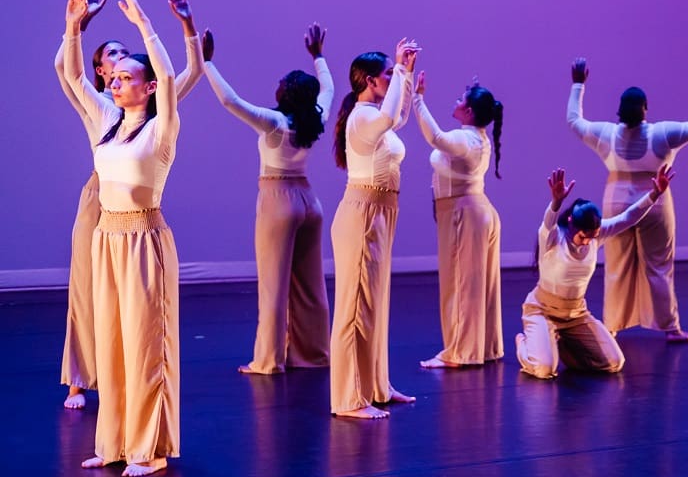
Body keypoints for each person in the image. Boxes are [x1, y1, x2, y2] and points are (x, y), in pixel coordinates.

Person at [55, 0, 202, 412]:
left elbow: (181, 76)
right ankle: (80, 380)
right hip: (99, 204)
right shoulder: (101, 109)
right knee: (87, 293)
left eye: (126, 58)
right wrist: (75, 26)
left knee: (139, 319)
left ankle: (136, 406)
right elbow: (68, 70)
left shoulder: (155, 114)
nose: (120, 65)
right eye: (113, 61)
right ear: (104, 73)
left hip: (138, 213)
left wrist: (184, 28)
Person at [203, 23, 335, 374]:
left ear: (287, 93)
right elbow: (329, 89)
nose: (276, 87)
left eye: (281, 84)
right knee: (310, 283)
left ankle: (268, 360)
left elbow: (230, 101)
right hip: (309, 201)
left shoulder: (275, 122)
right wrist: (318, 55)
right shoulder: (315, 119)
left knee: (273, 285)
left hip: (278, 200)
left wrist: (208, 63)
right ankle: (314, 353)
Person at [566, 58, 688, 343]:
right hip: (654, 199)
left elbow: (574, 121)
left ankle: (612, 326)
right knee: (659, 265)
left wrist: (578, 83)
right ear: (645, 109)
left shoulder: (606, 134)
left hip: (616, 199)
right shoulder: (662, 133)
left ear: (620, 110)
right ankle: (671, 328)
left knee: (617, 265)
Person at [329, 41, 421, 418]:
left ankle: (375, 385)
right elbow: (389, 117)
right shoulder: (363, 118)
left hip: (381, 212)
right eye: (385, 75)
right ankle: (349, 398)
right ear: (370, 80)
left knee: (375, 305)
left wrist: (406, 74)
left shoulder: (373, 114)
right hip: (363, 213)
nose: (391, 78)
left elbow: (396, 116)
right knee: (354, 308)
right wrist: (401, 70)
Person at [515, 166, 675, 379]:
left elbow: (628, 217)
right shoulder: (553, 239)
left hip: (576, 314)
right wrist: (556, 201)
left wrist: (654, 194)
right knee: (544, 370)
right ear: (571, 223)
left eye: (593, 236)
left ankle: (560, 343)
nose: (588, 242)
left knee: (613, 363)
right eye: (584, 237)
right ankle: (524, 344)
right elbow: (548, 222)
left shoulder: (596, 235)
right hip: (543, 311)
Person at [412, 73, 504, 369]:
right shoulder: (474, 137)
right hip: (473, 210)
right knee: (476, 283)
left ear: (470, 112)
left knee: (460, 282)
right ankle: (482, 347)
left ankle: (460, 352)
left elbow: (435, 137)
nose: (456, 101)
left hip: (465, 214)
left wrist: (418, 98)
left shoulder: (466, 138)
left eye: (461, 100)